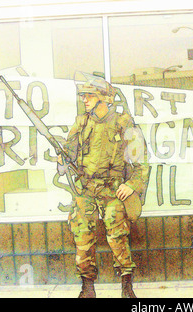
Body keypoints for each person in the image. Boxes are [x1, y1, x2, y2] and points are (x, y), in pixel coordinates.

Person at [58, 74, 149, 298]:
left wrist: (132, 185)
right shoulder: (81, 123)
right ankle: (87, 287)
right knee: (82, 235)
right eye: (84, 96)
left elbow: (141, 162)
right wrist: (61, 158)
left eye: (89, 96)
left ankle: (127, 285)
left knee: (117, 236)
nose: (85, 100)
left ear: (104, 99)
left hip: (113, 189)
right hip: (87, 189)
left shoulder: (123, 123)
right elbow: (68, 155)